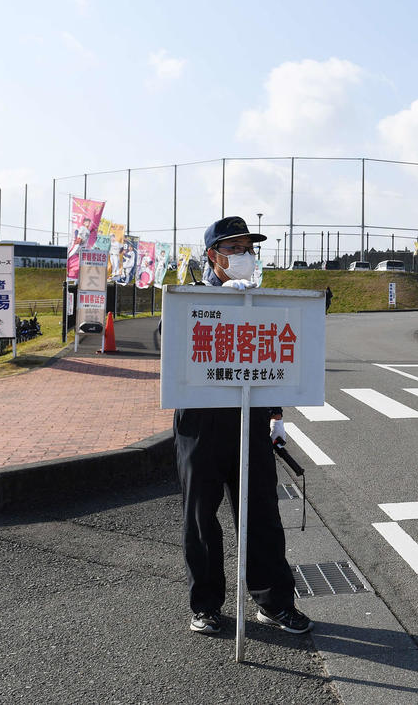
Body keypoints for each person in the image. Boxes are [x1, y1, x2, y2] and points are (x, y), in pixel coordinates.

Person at [174, 215, 313, 636]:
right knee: (201, 518)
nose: (243, 256)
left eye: (248, 248)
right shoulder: (190, 298)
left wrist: (276, 416)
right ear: (213, 255)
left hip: (250, 422)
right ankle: (206, 604)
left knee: (263, 516)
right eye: (233, 248)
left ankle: (273, 602)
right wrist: (221, 307)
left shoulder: (263, 301)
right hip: (200, 425)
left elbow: (275, 362)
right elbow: (169, 342)